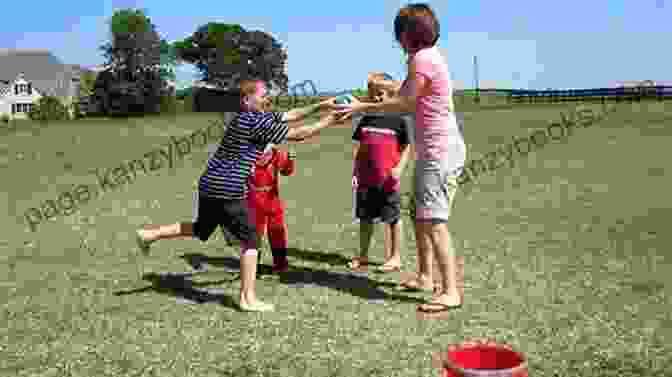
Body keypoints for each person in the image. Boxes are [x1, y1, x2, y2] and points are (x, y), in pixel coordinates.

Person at [135, 79, 346, 312]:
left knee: (199, 228)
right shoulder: (255, 123)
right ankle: (247, 298)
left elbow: (289, 115)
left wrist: (320, 105)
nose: (268, 97)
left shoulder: (249, 118)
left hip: (210, 184)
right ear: (247, 100)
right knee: (251, 240)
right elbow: (297, 134)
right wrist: (330, 120)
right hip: (228, 187)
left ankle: (149, 235)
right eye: (263, 94)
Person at [331, 3, 466, 313]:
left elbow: (403, 104)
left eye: (398, 33)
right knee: (421, 216)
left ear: (407, 34)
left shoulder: (421, 59)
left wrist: (359, 108)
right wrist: (378, 92)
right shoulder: (424, 58)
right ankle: (424, 276)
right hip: (432, 150)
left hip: (440, 152)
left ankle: (450, 291)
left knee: (433, 221)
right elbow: (401, 91)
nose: (397, 40)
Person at [348, 72, 411, 273]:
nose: (377, 98)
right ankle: (363, 255)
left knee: (392, 219)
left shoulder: (398, 120)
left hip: (388, 181)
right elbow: (358, 148)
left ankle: (395, 257)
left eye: (382, 94)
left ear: (392, 95)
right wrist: (355, 173)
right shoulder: (366, 119)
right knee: (365, 219)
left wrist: (399, 168)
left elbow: (407, 147)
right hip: (366, 180)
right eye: (373, 93)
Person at [248, 143, 296, 273]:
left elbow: (287, 171)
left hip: (272, 200)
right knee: (254, 235)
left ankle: (280, 264)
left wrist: (290, 160)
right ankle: (251, 266)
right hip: (253, 202)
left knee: (277, 232)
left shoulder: (276, 154)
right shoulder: (246, 155)